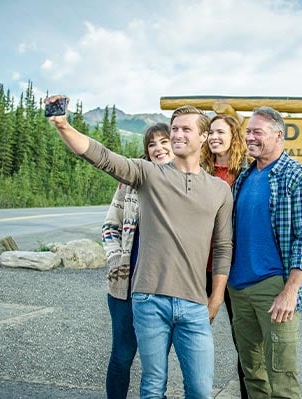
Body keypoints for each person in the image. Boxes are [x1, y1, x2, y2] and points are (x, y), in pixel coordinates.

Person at [47, 96, 232, 399]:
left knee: (200, 390)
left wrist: (216, 297)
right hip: (149, 300)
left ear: (203, 137)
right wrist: (63, 125)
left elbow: (224, 247)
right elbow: (102, 156)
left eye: (186, 129)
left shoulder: (219, 190)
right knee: (152, 386)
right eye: (174, 128)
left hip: (194, 304)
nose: (177, 135)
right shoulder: (149, 175)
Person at [227, 106, 302, 399]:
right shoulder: (244, 177)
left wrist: (290, 290)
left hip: (274, 288)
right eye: (248, 132)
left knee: (282, 377)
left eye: (258, 132)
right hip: (238, 288)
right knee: (252, 373)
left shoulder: (298, 177)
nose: (250, 137)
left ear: (278, 135)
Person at [102, 123, 174, 399]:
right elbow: (110, 226)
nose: (158, 148)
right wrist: (114, 261)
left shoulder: (185, 181)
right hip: (126, 286)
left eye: (164, 141)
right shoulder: (130, 182)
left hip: (163, 287)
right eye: (152, 144)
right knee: (122, 355)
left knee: (156, 362)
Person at [200, 113, 249, 399]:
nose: (215, 137)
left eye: (221, 132)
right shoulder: (198, 169)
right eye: (211, 132)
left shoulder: (245, 172)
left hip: (235, 267)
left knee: (242, 339)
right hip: (199, 265)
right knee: (194, 334)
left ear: (234, 137)